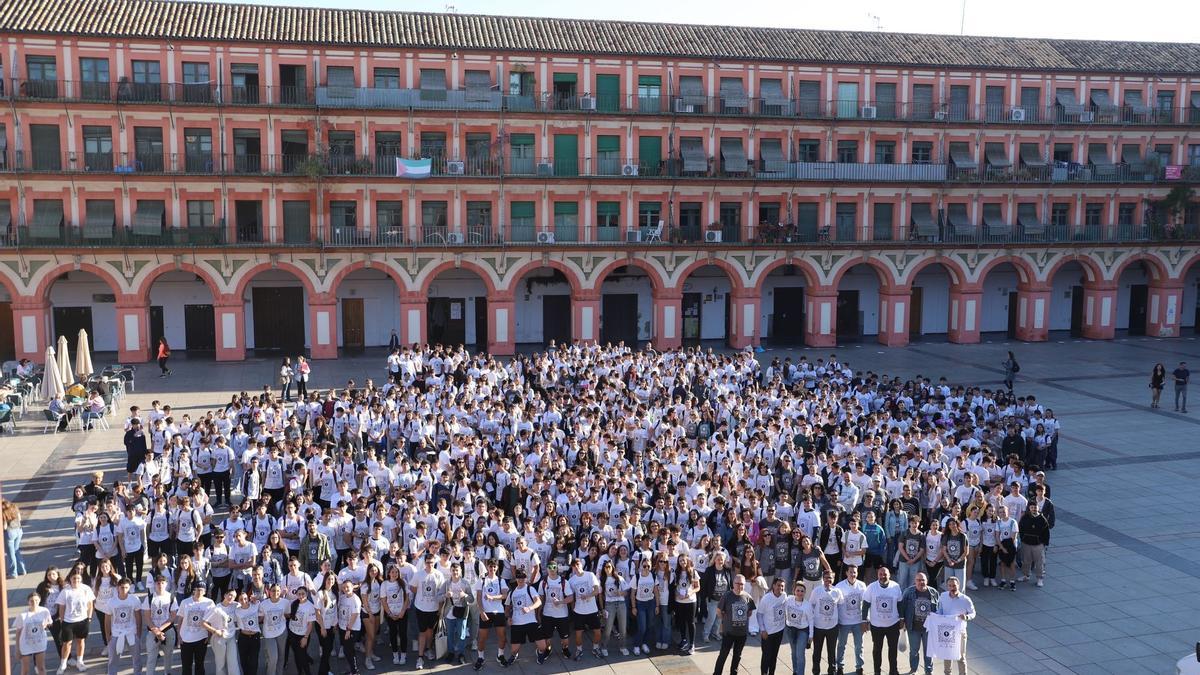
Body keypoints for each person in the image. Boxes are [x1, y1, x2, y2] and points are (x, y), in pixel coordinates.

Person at [861, 566, 904, 675]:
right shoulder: (871, 587)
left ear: (889, 575)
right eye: (880, 574)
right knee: (877, 650)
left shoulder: (896, 586)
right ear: (877, 575)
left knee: (893, 649)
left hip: (893, 624)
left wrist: (902, 619)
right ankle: (877, 671)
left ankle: (893, 670)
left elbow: (900, 604)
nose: (883, 576)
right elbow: (865, 605)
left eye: (885, 574)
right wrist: (864, 621)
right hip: (876, 625)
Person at [711, 574, 756, 675]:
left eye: (742, 584)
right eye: (737, 583)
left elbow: (749, 613)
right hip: (729, 633)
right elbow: (718, 611)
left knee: (737, 656)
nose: (739, 586)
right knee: (723, 655)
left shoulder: (747, 597)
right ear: (733, 584)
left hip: (742, 634)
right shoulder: (727, 596)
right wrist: (726, 620)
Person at [55, 569, 95, 675]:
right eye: (74, 578)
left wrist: (89, 617)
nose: (76, 580)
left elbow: (90, 604)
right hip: (68, 621)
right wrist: (63, 620)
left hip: (82, 620)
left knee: (80, 641)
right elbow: (62, 607)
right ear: (70, 579)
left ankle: (80, 661)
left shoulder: (86, 589)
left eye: (78, 578)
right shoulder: (65, 591)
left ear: (81, 579)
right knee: (67, 643)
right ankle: (63, 664)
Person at [934, 577, 976, 675]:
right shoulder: (943, 596)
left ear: (959, 585)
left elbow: (973, 613)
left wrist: (966, 616)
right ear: (947, 586)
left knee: (961, 656)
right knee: (947, 655)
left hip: (960, 632)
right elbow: (940, 610)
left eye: (954, 585)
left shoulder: (965, 599)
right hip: (947, 632)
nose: (952, 587)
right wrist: (936, 616)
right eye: (950, 585)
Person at [900, 572, 939, 675]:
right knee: (914, 651)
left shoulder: (933, 592)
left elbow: (939, 609)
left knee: (929, 651)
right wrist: (902, 621)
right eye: (918, 580)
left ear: (927, 581)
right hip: (913, 628)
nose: (921, 582)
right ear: (915, 581)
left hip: (929, 629)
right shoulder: (908, 592)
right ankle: (913, 670)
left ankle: (928, 671)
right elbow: (902, 607)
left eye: (923, 580)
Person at [176, 582, 215, 675]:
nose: (198, 592)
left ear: (205, 591)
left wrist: (209, 636)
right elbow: (180, 620)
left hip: (201, 638)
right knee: (186, 666)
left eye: (201, 590)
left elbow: (211, 621)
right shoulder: (185, 602)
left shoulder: (209, 603)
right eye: (197, 589)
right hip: (186, 639)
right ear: (194, 590)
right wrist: (179, 636)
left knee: (200, 665)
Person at [834, 565, 867, 675]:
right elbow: (836, 605)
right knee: (841, 645)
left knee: (859, 645)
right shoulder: (839, 586)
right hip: (844, 621)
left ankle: (859, 666)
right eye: (851, 572)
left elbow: (866, 604)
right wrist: (836, 621)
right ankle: (839, 666)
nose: (853, 574)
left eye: (855, 572)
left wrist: (865, 621)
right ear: (846, 573)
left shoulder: (862, 585)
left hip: (858, 621)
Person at [142, 576, 178, 675]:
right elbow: (147, 617)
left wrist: (161, 629)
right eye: (158, 583)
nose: (160, 585)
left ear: (166, 584)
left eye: (162, 583)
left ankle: (167, 673)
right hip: (152, 632)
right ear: (154, 584)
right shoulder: (149, 598)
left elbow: (173, 616)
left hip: (168, 631)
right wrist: (156, 631)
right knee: (151, 657)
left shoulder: (171, 597)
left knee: (168, 656)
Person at [13, 592, 53, 675]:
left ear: (39, 600)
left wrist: (45, 625)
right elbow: (18, 632)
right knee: (25, 670)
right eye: (31, 601)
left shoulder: (45, 611)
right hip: (26, 645)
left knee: (41, 668)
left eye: (36, 600)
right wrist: (17, 649)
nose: (34, 603)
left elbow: (49, 622)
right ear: (28, 602)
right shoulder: (22, 615)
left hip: (39, 643)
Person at [755, 577, 787, 675]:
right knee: (766, 656)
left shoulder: (784, 596)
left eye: (782, 586)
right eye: (778, 585)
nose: (780, 588)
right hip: (767, 633)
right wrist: (762, 629)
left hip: (779, 631)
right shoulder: (766, 598)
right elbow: (759, 614)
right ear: (773, 585)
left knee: (774, 656)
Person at [782, 581, 813, 675]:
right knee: (794, 652)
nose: (800, 593)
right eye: (798, 590)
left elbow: (811, 620)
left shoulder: (807, 605)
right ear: (794, 591)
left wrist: (811, 636)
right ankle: (795, 671)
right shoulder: (788, 600)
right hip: (790, 629)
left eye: (802, 591)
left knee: (800, 654)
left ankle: (800, 673)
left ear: (805, 592)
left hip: (802, 631)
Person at [1017, 502, 1051, 588]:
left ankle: (1040, 579)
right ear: (1029, 508)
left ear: (1038, 508)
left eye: (1035, 507)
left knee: (1039, 562)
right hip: (1026, 543)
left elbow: (1046, 533)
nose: (1034, 509)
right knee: (1026, 561)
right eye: (1032, 507)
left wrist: (1044, 544)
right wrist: (1023, 539)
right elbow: (1020, 528)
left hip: (1038, 545)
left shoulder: (1043, 519)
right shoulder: (1025, 517)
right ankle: (1026, 575)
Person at [4, 498, 27, 578]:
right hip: (19, 530)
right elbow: (19, 519)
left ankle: (13, 573)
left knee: (11, 554)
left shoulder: (3, 512)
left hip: (9, 533)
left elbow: (4, 526)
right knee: (16, 550)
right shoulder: (14, 507)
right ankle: (22, 570)